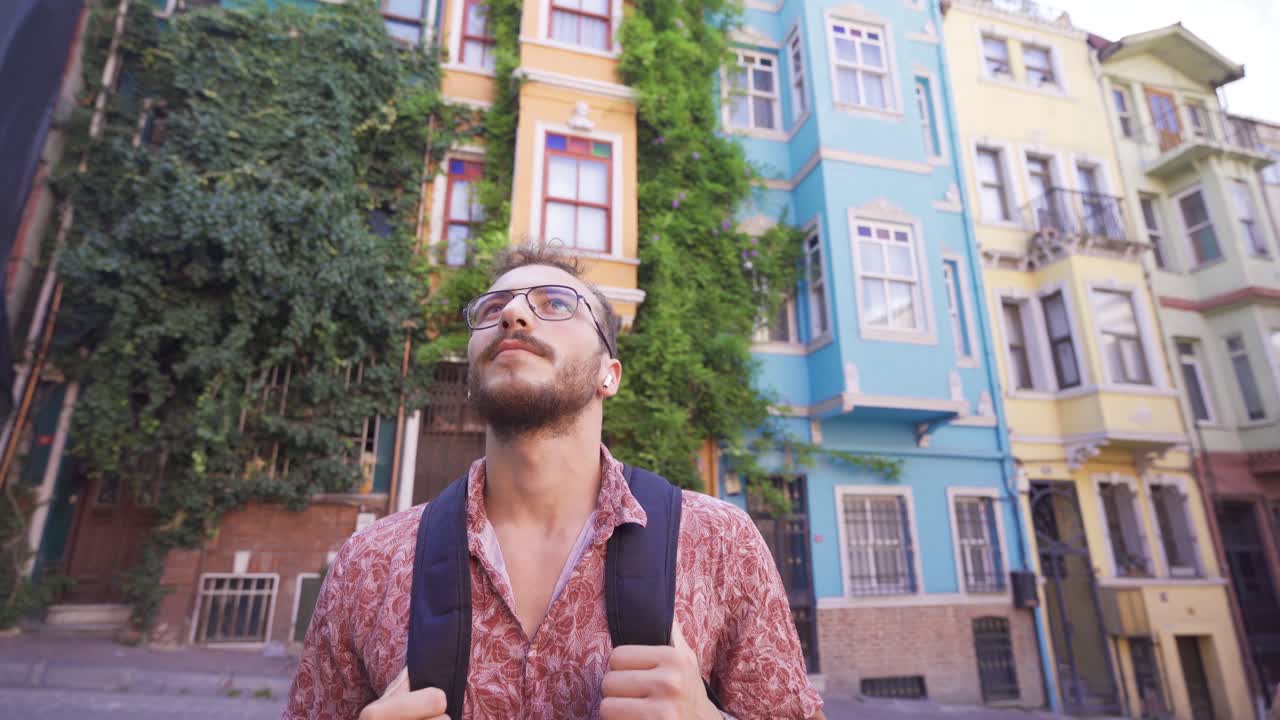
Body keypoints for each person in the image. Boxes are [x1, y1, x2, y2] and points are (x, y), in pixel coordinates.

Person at [283, 243, 824, 720]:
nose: (513, 314)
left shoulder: (720, 542)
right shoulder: (368, 564)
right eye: (493, 307)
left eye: (556, 304)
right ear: (471, 375)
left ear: (607, 373)